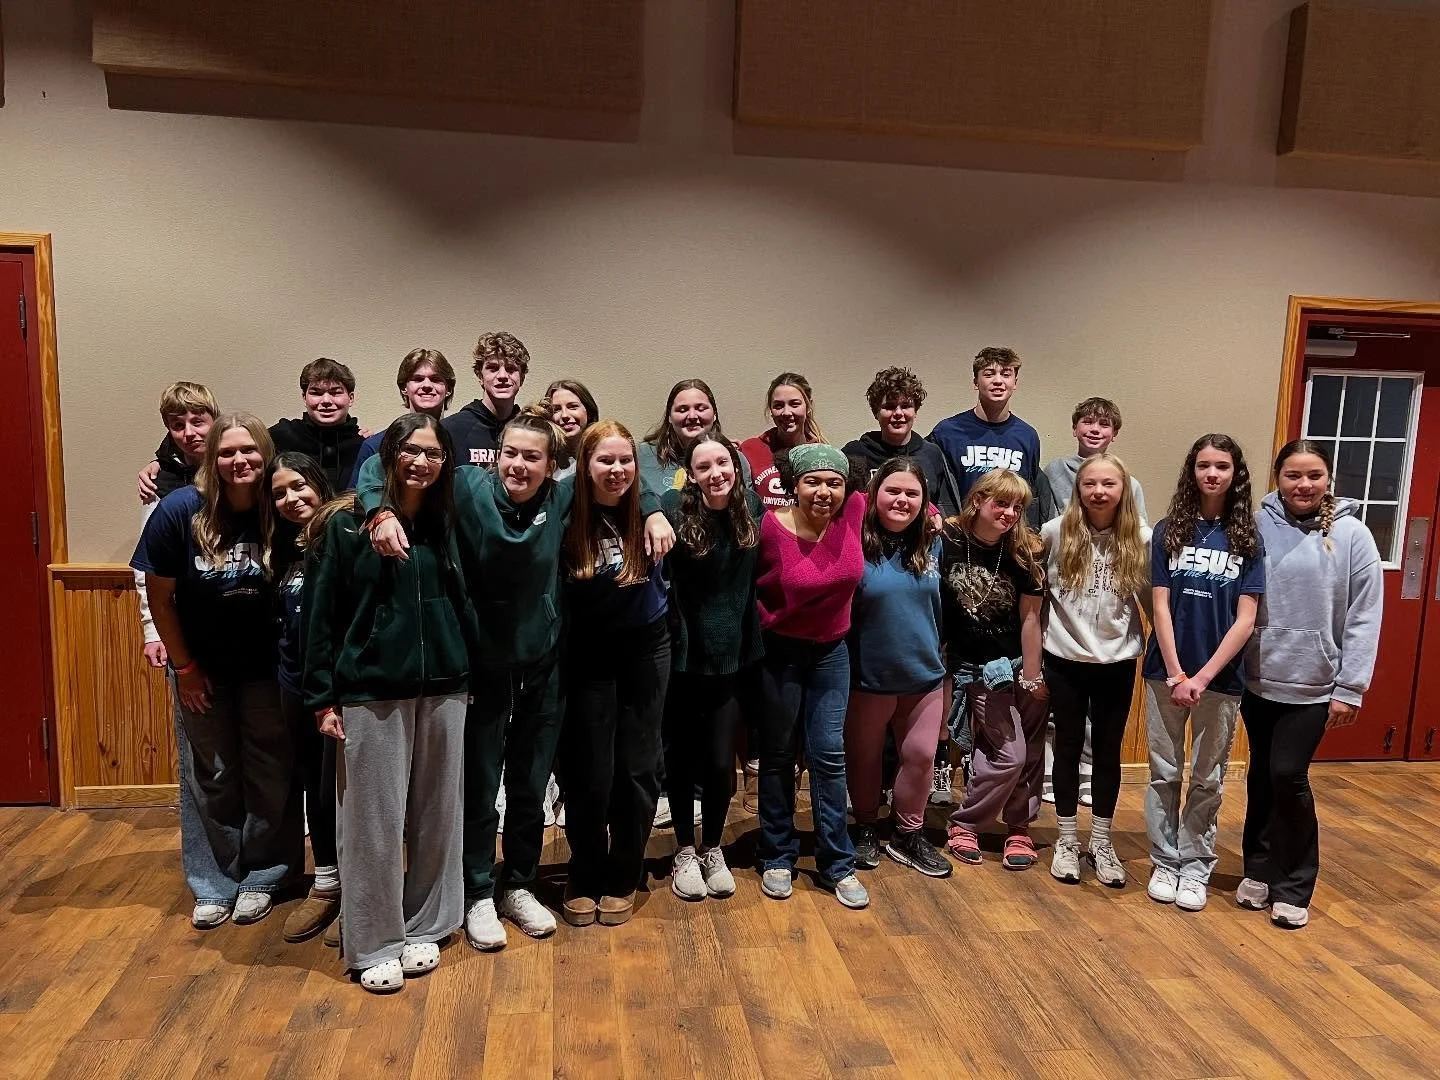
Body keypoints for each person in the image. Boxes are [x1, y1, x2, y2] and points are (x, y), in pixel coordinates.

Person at [363, 406, 675, 946]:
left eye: (532, 456)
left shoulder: (561, 497)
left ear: (551, 464)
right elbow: (377, 465)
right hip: (483, 667)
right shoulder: (465, 488)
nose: (519, 465)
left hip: (545, 666)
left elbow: (619, 471)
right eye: (510, 453)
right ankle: (478, 891)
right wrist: (378, 512)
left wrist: (650, 509)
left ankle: (520, 883)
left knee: (530, 786)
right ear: (496, 456)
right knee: (481, 788)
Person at [303, 414, 479, 993]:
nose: (422, 462)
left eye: (434, 453)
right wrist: (322, 696)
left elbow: (464, 597)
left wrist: (465, 665)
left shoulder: (450, 520)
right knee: (372, 822)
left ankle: (426, 923)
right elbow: (323, 615)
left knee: (438, 813)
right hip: (372, 688)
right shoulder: (347, 525)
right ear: (391, 453)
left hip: (446, 685)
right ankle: (375, 940)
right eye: (412, 450)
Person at [130, 413, 300, 929]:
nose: (239, 460)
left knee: (270, 770)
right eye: (227, 452)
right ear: (211, 459)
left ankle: (266, 874)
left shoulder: (282, 509)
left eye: (249, 450)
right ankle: (214, 883)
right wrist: (184, 667)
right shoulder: (181, 509)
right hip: (200, 668)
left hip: (268, 668)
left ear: (265, 453)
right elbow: (159, 596)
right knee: (212, 773)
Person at [1239, 440, 1382, 930]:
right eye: (1293, 476)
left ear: (1329, 479)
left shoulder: (1354, 535)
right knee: (1260, 775)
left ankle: (1295, 884)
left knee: (1287, 775)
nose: (1304, 486)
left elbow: (1365, 615)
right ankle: (1257, 870)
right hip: (1258, 677)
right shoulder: (1257, 527)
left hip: (1316, 683)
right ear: (1276, 478)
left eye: (1314, 476)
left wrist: (1351, 687)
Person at [559, 421, 673, 928]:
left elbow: (647, 487)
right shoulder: (565, 509)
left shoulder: (650, 512)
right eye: (604, 461)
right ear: (584, 467)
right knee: (590, 771)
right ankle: (584, 870)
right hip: (586, 652)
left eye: (625, 460)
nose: (616, 470)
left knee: (638, 765)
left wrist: (649, 507)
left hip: (647, 647)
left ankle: (624, 871)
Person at [1144, 434, 1263, 913]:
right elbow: (1160, 605)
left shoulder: (1248, 538)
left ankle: (1195, 865)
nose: (1212, 474)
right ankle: (1164, 861)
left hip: (1221, 680)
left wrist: (1203, 677)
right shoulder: (1168, 530)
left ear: (1236, 474)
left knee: (1208, 777)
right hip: (1165, 675)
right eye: (1203, 466)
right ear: (1191, 472)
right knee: (1163, 774)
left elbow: (1246, 618)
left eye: (1222, 466)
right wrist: (1177, 673)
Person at [754, 444, 869, 909]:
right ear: (793, 485)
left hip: (832, 653)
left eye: (834, 483)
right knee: (779, 756)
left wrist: (942, 519)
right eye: (813, 482)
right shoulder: (770, 528)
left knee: (828, 755)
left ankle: (837, 863)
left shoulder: (853, 512)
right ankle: (777, 854)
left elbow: (904, 498)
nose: (824, 492)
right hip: (779, 653)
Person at [132, 382, 230, 928]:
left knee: (260, 766)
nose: (191, 432)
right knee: (201, 770)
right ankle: (211, 884)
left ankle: (266, 874)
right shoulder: (166, 491)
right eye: (178, 424)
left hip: (253, 653)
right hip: (190, 650)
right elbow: (149, 576)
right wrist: (159, 637)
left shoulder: (246, 476)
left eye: (199, 420)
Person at [1040, 454, 1151, 887]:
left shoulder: (1140, 539)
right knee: (1066, 747)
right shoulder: (1054, 532)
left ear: (1124, 489)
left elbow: (1150, 602)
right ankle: (1067, 839)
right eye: (1090, 484)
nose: (1099, 492)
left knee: (1107, 752)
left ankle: (1101, 842)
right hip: (1065, 660)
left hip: (1117, 662)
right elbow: (1036, 595)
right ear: (1078, 489)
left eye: (1109, 484)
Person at [661, 433, 762, 901]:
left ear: (736, 466)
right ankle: (684, 848)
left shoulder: (751, 514)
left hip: (733, 658)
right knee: (681, 760)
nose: (716, 473)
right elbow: (650, 497)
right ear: (691, 476)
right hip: (685, 659)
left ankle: (713, 847)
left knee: (722, 763)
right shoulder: (676, 514)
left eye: (722, 462)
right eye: (704, 467)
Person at [843, 458, 951, 878]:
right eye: (893, 491)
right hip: (867, 676)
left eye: (912, 493)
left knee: (922, 756)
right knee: (865, 757)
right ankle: (866, 826)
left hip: (924, 674)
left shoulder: (935, 543)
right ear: (874, 496)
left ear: (925, 503)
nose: (902, 500)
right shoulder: (855, 539)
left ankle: (908, 833)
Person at [938, 469, 1048, 869]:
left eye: (1017, 507)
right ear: (978, 500)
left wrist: (1032, 677)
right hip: (976, 669)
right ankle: (965, 822)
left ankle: (1019, 828)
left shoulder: (1025, 551)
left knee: (1030, 750)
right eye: (1000, 503)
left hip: (1020, 665)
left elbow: (1031, 619)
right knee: (1009, 754)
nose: (1009, 513)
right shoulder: (946, 540)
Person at [264, 452, 343, 943]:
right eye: (280, 493)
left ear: (319, 485)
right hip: (295, 684)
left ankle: (361, 888)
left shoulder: (344, 536)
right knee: (313, 781)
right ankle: (328, 884)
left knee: (349, 790)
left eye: (300, 486)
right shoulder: (282, 549)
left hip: (342, 689)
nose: (292, 499)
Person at [928, 346, 1056, 526]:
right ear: (976, 382)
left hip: (1008, 539)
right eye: (989, 374)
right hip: (959, 538)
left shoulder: (1028, 436)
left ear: (1015, 382)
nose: (998, 381)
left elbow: (1030, 495)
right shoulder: (947, 432)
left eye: (1006, 374)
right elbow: (931, 486)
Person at [842, 365, 962, 516]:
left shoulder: (932, 454)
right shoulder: (855, 453)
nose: (898, 413)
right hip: (865, 537)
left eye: (906, 406)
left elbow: (943, 507)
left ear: (915, 411)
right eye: (889, 407)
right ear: (876, 412)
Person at [348, 348, 457, 486]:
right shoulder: (376, 445)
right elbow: (353, 500)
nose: (427, 385)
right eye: (418, 379)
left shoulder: (460, 441)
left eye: (436, 379)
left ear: (448, 389)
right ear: (404, 388)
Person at [639, 378, 752, 497]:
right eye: (682, 410)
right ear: (669, 417)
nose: (692, 416)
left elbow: (748, 507)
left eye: (701, 408)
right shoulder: (643, 456)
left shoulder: (734, 458)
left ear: (714, 415)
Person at [268, 358, 366, 492]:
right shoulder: (281, 435)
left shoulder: (364, 444)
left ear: (351, 398)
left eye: (335, 392)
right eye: (316, 393)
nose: (326, 400)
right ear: (304, 398)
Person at [738, 373, 825, 510]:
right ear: (771, 410)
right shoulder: (750, 449)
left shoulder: (822, 453)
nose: (786, 412)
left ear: (808, 407)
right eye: (778, 406)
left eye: (794, 404)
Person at [445, 331, 529, 468]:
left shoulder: (531, 430)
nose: (502, 375)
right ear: (480, 376)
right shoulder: (452, 429)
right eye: (493, 368)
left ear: (522, 378)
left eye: (510, 369)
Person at [545, 377, 600, 481]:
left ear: (589, 411)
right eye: (556, 409)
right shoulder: (543, 459)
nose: (565, 415)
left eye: (573, 407)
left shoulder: (603, 454)